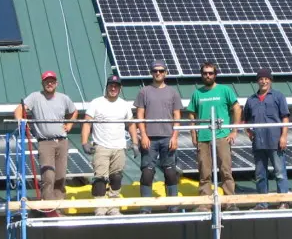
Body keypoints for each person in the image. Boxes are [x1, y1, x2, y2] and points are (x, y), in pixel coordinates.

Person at [14, 71, 78, 217]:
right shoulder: (35, 97)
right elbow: (19, 110)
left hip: (61, 141)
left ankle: (58, 207)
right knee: (48, 176)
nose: (49, 84)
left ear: (56, 83)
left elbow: (74, 112)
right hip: (45, 142)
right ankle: (49, 208)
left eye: (52, 81)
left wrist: (69, 125)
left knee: (60, 176)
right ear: (43, 83)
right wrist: (21, 122)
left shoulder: (64, 98)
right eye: (46, 81)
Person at [186, 61, 241, 211]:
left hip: (222, 136)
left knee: (225, 170)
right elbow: (191, 113)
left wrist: (234, 130)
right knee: (204, 171)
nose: (208, 75)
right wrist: (193, 132)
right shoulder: (197, 93)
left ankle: (229, 201)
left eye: (210, 73)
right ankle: (205, 203)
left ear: (215, 75)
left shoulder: (225, 90)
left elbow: (236, 108)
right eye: (205, 73)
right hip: (203, 137)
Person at [81, 76, 138, 216]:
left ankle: (113, 207)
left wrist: (135, 142)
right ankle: (100, 208)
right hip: (101, 146)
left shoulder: (124, 105)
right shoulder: (96, 103)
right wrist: (84, 142)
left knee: (117, 177)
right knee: (100, 178)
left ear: (120, 88)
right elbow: (87, 123)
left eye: (116, 86)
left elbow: (131, 124)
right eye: (111, 85)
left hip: (119, 147)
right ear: (106, 87)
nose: (113, 88)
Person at [134, 60, 182, 213]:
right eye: (155, 71)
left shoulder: (173, 92)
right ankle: (146, 206)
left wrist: (175, 136)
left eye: (161, 71)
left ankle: (173, 205)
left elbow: (177, 116)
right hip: (150, 138)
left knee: (170, 171)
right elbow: (140, 114)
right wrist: (143, 135)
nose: (158, 73)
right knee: (147, 172)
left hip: (167, 137)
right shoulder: (144, 91)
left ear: (165, 72)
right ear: (151, 73)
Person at [243, 68, 291, 210]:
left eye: (266, 79)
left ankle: (283, 201)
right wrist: (249, 132)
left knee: (280, 173)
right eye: (261, 79)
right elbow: (245, 120)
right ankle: (262, 203)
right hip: (258, 143)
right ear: (257, 81)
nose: (263, 81)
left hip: (275, 141)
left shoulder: (278, 96)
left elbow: (285, 118)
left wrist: (283, 136)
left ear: (270, 80)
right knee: (260, 175)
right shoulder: (251, 100)